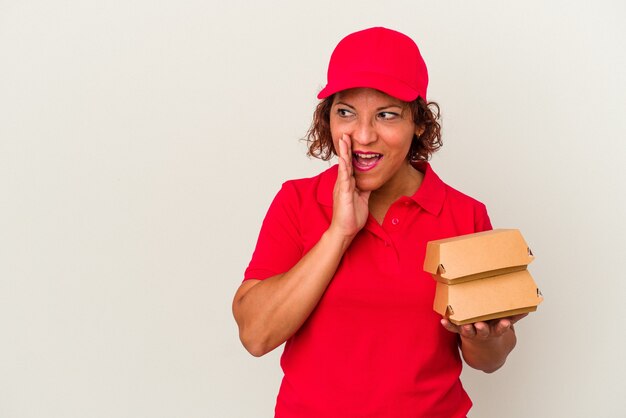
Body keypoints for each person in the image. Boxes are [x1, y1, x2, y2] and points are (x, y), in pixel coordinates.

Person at [232, 27, 526, 418]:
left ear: (419, 123)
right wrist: (338, 233)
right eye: (346, 112)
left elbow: (488, 361)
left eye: (387, 115)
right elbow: (256, 335)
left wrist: (488, 336)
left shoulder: (464, 214)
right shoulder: (297, 201)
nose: (364, 135)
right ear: (328, 119)